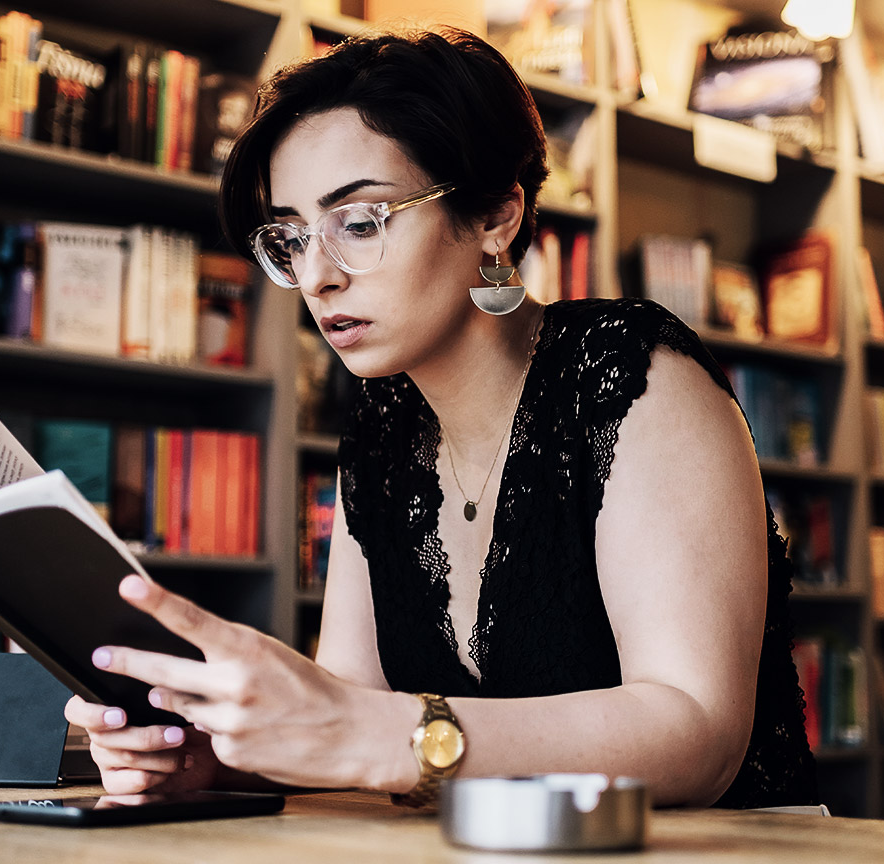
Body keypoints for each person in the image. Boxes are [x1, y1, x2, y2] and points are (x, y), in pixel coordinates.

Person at [64, 26, 817, 809]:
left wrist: (371, 731)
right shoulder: (385, 434)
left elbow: (695, 734)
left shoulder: (633, 377)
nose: (316, 277)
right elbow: (352, 706)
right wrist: (214, 761)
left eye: (358, 223)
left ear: (495, 216)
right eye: (290, 237)